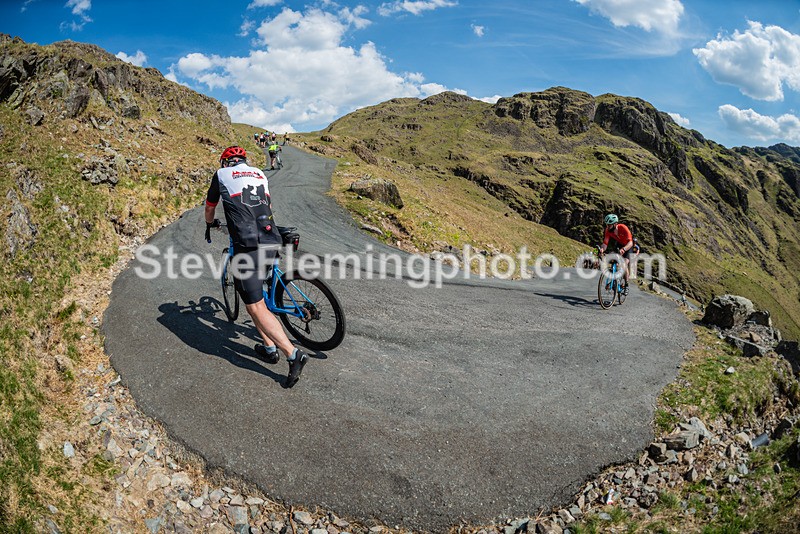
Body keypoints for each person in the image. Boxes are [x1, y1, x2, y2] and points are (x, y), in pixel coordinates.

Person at [204, 146, 308, 387]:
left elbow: (210, 207)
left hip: (247, 243)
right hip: (270, 237)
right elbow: (264, 204)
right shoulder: (259, 173)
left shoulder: (221, 174)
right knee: (256, 296)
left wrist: (209, 223)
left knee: (255, 306)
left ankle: (293, 354)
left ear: (225, 162)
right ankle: (269, 347)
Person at [598, 213, 635, 294]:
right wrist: (602, 249)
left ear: (615, 224)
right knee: (614, 261)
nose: (608, 227)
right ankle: (614, 279)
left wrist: (624, 249)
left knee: (624, 263)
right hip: (619, 244)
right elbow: (605, 243)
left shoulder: (623, 228)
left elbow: (631, 243)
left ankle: (626, 285)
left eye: (609, 225)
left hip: (628, 246)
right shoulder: (608, 230)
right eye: (607, 225)